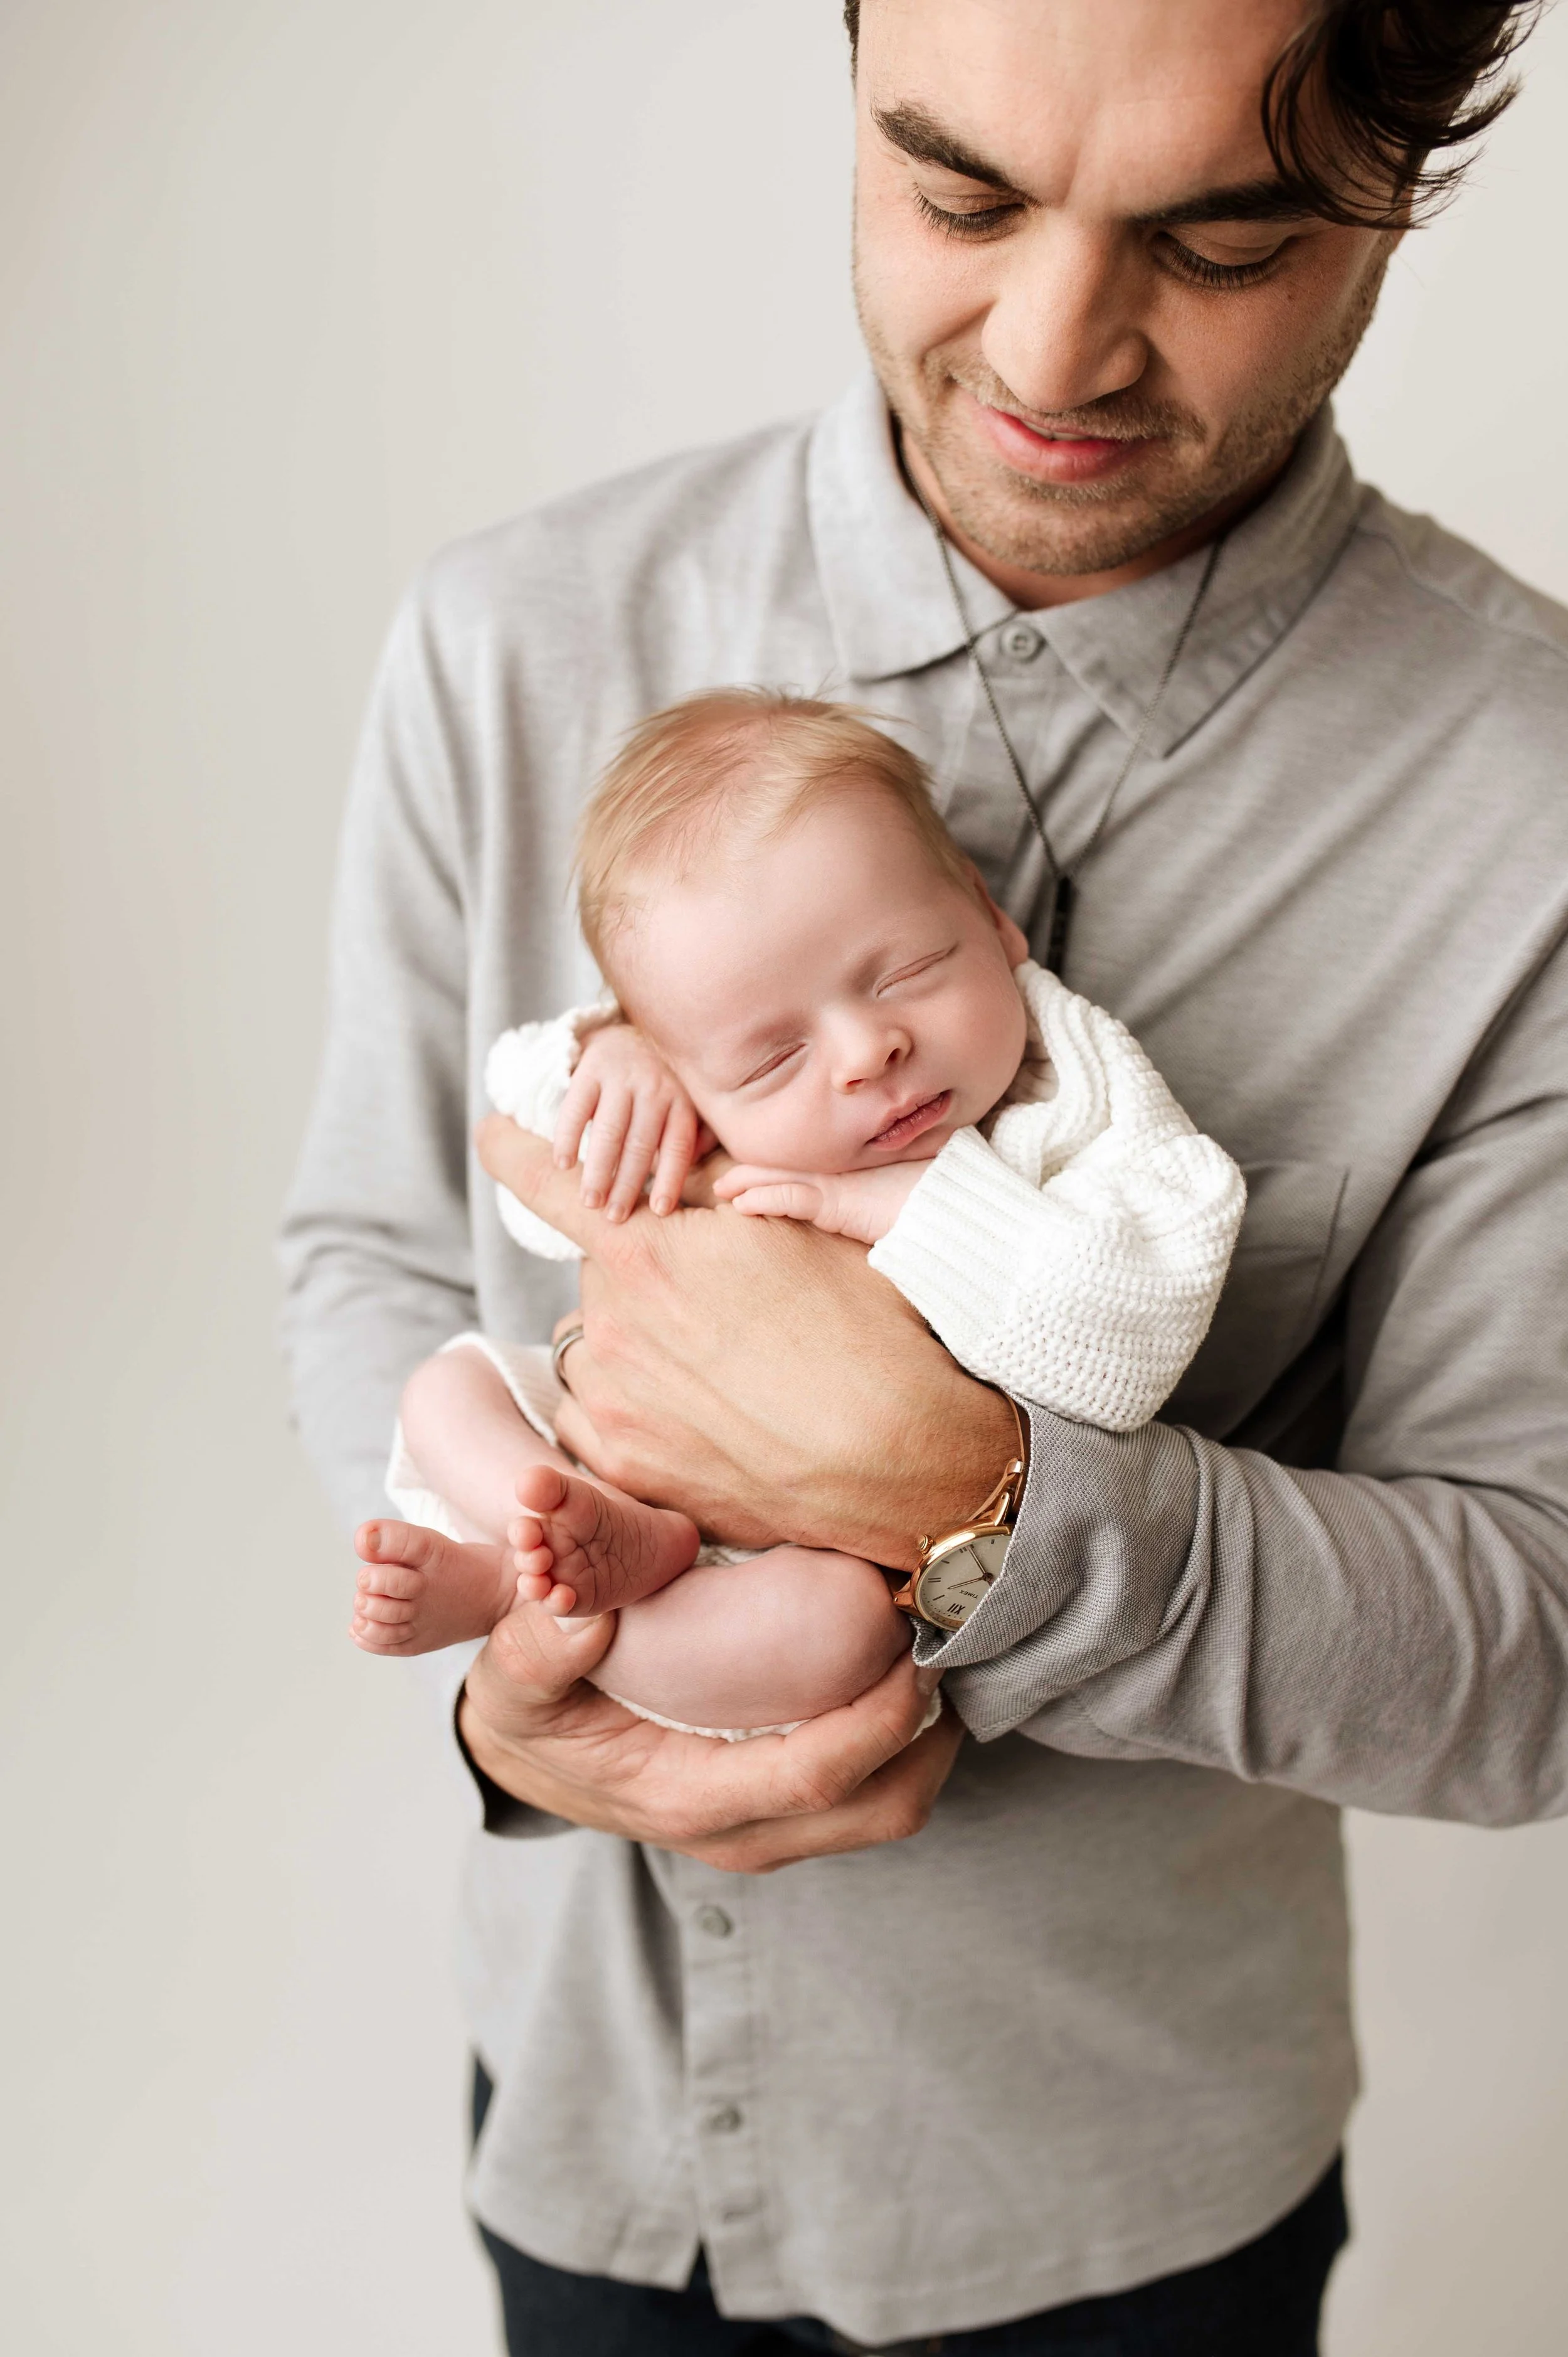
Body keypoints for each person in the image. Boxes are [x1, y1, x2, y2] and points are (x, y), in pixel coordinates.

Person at [278, 1, 1566, 2348]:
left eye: (1227, 230)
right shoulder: (507, 642)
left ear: (1408, 172)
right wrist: (517, 1693)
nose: (1055, 344)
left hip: (1130, 2198)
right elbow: (369, 1250)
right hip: (592, 2129)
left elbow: (1539, 1647)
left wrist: (988, 1496)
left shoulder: (1530, 811)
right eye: (958, 192)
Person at [348, 693, 1243, 1740]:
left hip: (818, 1558)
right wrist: (606, 1063)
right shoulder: (689, 1096)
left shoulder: (1075, 1105)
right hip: (601, 1462)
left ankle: (535, 1595)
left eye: (909, 971)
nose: (869, 1054)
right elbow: (535, 1187)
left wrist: (900, 1205)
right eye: (776, 1058)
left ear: (989, 917)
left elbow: (1130, 1332)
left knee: (838, 1636)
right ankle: (527, 1549)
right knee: (446, 1389)